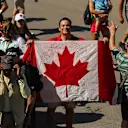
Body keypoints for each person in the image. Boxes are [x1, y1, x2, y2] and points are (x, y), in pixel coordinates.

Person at [47, 17, 84, 128]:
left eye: (67, 25)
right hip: (56, 79)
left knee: (69, 107)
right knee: (51, 107)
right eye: (63, 25)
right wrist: (32, 43)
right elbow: (41, 50)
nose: (65, 27)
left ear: (71, 28)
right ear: (59, 28)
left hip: (71, 80)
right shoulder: (52, 42)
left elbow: (93, 46)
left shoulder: (79, 42)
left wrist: (104, 42)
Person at [0, 55, 31, 128]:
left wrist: (19, 78)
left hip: (16, 116)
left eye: (9, 69)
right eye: (5, 70)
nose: (7, 72)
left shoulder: (19, 76)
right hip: (2, 115)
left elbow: (26, 95)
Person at [108, 21, 128, 128]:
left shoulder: (121, 58)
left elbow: (112, 47)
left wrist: (112, 33)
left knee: (125, 119)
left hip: (126, 95)